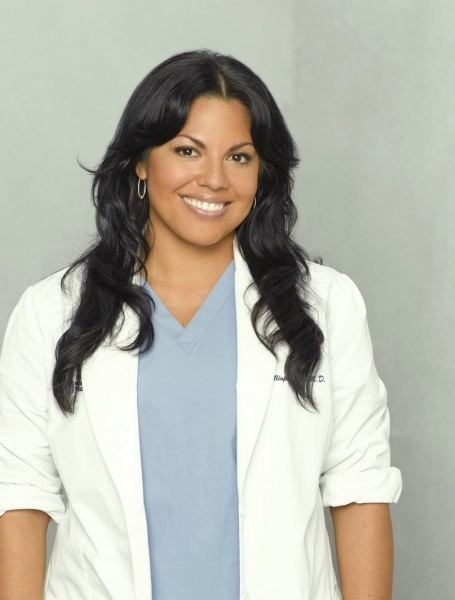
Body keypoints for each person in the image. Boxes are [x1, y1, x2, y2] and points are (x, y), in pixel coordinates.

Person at [0, 50, 402, 600]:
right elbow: (20, 495)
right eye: (187, 150)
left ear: (262, 172)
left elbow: (360, 487)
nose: (214, 179)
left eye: (239, 157)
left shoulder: (326, 305)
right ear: (141, 162)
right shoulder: (52, 312)